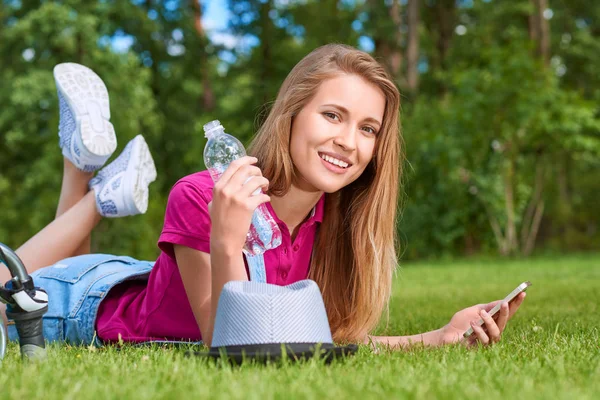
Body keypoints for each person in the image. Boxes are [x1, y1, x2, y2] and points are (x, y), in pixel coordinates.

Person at [1, 44, 525, 349]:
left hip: (133, 277)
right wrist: (228, 240)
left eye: (368, 129)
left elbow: (318, 340)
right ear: (292, 114)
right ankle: (97, 195)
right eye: (333, 115)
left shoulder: (326, 223)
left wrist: (438, 335)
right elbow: (225, 343)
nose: (348, 140)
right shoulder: (202, 194)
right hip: (80, 305)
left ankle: (84, 167)